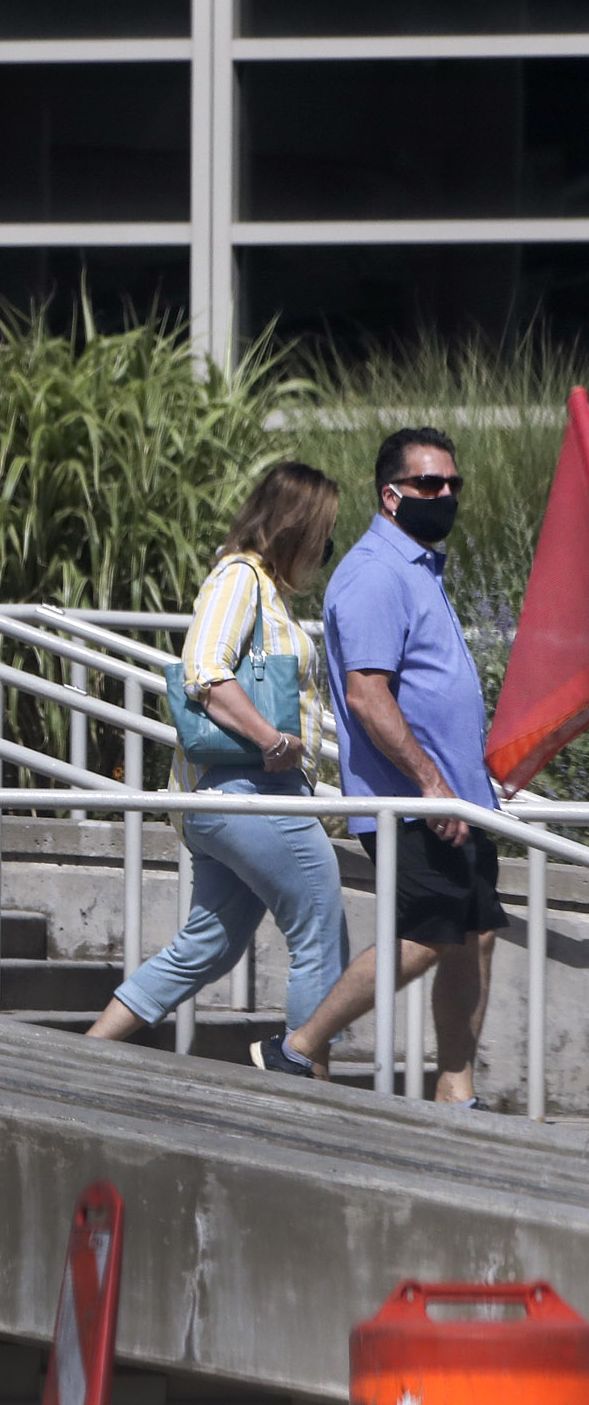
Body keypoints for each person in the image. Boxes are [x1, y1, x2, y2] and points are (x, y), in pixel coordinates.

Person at [254, 428, 505, 1104]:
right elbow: (368, 695)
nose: (445, 494)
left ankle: (457, 1091)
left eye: (453, 483)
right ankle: (297, 1048)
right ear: (390, 495)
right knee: (426, 937)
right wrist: (428, 783)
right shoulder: (372, 574)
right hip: (412, 801)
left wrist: (476, 777)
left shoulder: (419, 568)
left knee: (475, 935)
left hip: (457, 799)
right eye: (430, 484)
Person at [85, 463, 349, 1062]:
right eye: (324, 534)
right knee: (320, 928)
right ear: (296, 528)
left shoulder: (265, 589)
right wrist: (271, 741)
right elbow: (205, 671)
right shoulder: (238, 577)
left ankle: (83, 1056)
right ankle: (306, 1088)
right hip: (250, 793)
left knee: (208, 945)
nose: (327, 549)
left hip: (229, 801)